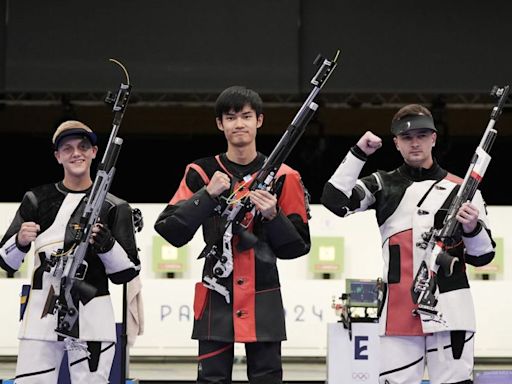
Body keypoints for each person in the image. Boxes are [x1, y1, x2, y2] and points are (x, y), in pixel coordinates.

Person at [321, 104, 495, 384]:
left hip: (451, 308)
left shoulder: (463, 189)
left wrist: (472, 227)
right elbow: (334, 202)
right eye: (407, 137)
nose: (415, 142)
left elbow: (483, 257)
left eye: (423, 135)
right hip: (398, 310)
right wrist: (358, 153)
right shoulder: (381, 183)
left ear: (434, 138)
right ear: (396, 143)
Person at [154, 85, 311, 384]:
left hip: (264, 296)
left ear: (259, 121)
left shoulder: (284, 176)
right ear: (220, 124)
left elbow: (298, 247)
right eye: (231, 117)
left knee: (267, 379)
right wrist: (208, 194)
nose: (239, 123)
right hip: (215, 292)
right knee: (211, 379)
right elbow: (169, 230)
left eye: (246, 116)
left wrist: (273, 216)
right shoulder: (201, 172)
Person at [0, 120, 141, 383]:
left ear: (94, 152)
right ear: (57, 156)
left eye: (83, 146)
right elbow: (6, 261)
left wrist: (107, 245)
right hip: (42, 313)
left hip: (93, 314)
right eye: (67, 148)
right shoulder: (36, 199)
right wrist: (20, 240)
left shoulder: (114, 206)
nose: (76, 153)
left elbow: (128, 272)